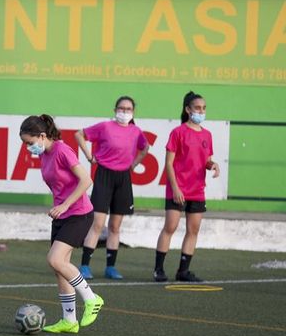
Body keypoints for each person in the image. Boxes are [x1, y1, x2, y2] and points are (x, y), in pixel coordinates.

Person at [19, 114, 104, 334]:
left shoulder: (62, 150)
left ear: (42, 136)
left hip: (78, 214)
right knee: (59, 268)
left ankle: (92, 299)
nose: (28, 148)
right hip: (61, 215)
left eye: (29, 142)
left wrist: (65, 205)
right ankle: (69, 320)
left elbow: (87, 180)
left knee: (54, 259)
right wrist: (60, 207)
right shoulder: (44, 155)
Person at [75, 96, 150, 280]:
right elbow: (79, 134)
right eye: (121, 108)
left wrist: (134, 164)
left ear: (133, 112)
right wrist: (89, 155)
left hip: (123, 178)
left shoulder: (136, 131)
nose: (124, 112)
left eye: (128, 109)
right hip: (104, 176)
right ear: (115, 109)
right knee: (98, 224)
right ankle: (84, 265)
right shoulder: (105, 127)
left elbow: (145, 147)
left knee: (115, 226)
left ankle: (111, 267)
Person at [153, 91, 220, 283]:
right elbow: (169, 164)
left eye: (204, 108)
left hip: (197, 190)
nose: (201, 111)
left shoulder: (207, 134)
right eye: (197, 108)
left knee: (193, 230)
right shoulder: (178, 132)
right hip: (178, 189)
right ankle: (158, 269)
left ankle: (183, 271)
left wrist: (213, 164)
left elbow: (206, 160)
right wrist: (175, 189)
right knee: (170, 227)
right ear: (188, 110)